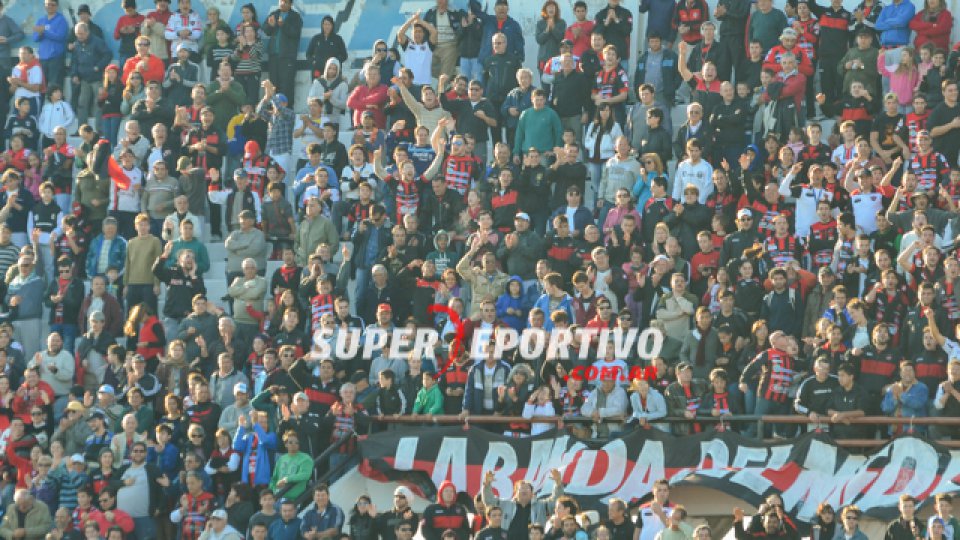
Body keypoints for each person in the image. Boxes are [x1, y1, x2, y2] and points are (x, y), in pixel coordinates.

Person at [263, 0, 303, 106]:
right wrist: (271, 25)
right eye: (281, 1)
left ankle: (287, 114)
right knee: (274, 85)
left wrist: (283, 25)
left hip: (287, 58)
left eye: (285, 2)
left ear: (290, 4)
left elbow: (296, 33)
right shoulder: (274, 14)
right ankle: (274, 114)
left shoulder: (295, 17)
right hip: (274, 57)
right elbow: (266, 30)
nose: (282, 3)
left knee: (286, 86)